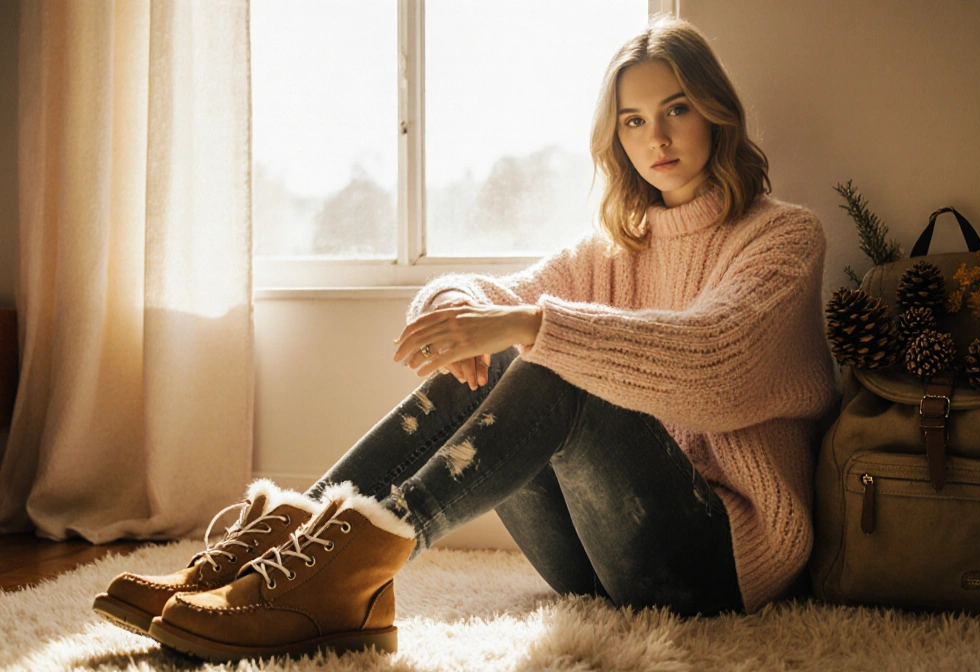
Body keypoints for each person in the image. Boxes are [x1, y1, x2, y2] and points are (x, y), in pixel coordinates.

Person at [92, 17, 837, 663]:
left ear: (716, 112)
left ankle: (344, 579)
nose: (657, 137)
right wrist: (457, 307)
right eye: (634, 120)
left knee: (553, 359)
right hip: (594, 557)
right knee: (522, 348)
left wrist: (528, 324)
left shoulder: (784, 238)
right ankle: (279, 553)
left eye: (675, 109)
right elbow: (488, 295)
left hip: (719, 561)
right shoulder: (614, 250)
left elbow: (715, 360)